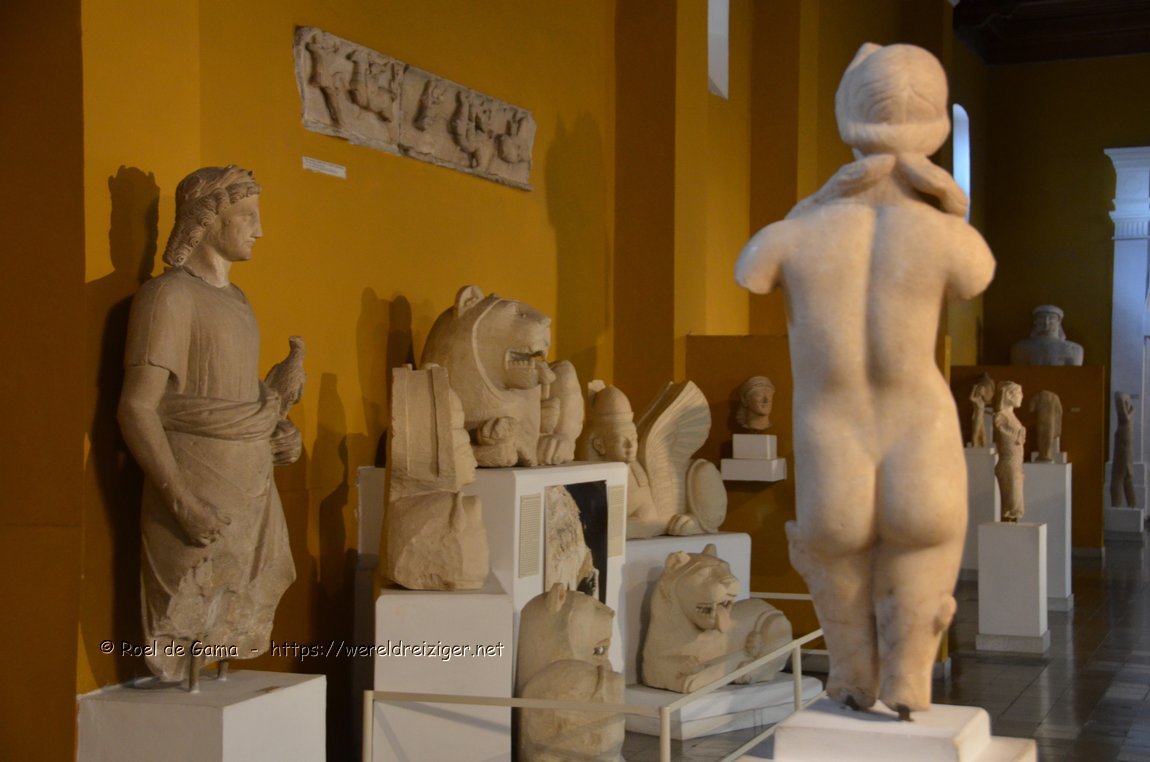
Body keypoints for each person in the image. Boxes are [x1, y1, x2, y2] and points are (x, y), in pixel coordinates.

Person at [735, 43, 994, 717]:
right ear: (935, 130)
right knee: (922, 542)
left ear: (848, 119)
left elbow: (750, 269)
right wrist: (950, 202)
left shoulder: (795, 235)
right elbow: (976, 273)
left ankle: (853, 676)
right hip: (920, 427)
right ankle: (909, 681)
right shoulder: (948, 236)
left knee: (837, 551)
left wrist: (818, 201)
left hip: (833, 432)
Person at [118, 166, 303, 689]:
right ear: (209, 218)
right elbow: (136, 408)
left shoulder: (238, 301)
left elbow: (238, 397)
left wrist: (275, 431)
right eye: (248, 216)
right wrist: (182, 502)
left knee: (234, 609)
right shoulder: (167, 297)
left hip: (249, 488)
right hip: (197, 488)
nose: (259, 230)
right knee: (190, 611)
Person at [993, 382, 1026, 521]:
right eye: (1019, 393)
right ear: (1008, 395)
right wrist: (1019, 434)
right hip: (1009, 464)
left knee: (1016, 505)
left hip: (1015, 464)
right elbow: (1009, 438)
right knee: (1012, 506)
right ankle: (1008, 525)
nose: (1022, 396)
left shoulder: (1010, 415)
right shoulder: (1001, 416)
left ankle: (1011, 524)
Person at [1010, 305, 1084, 366]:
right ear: (1035, 321)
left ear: (1059, 322)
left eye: (1052, 318)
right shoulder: (1021, 348)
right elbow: (1019, 375)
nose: (1046, 322)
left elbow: (1073, 375)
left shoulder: (1074, 349)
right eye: (1041, 317)